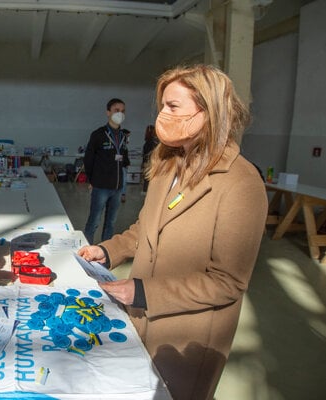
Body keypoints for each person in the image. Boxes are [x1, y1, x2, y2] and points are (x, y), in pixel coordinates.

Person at [77, 65, 267, 400]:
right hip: (142, 318)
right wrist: (108, 251)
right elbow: (145, 228)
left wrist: (142, 292)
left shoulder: (240, 182)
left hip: (188, 334)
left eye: (173, 107)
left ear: (207, 112)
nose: (162, 114)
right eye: (162, 105)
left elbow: (227, 282)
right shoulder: (168, 165)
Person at [83, 98, 129, 244]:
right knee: (94, 221)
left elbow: (124, 162)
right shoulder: (98, 134)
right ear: (108, 112)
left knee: (111, 223)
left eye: (122, 111)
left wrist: (123, 188)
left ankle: (104, 250)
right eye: (116, 110)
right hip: (101, 186)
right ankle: (87, 248)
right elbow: (88, 160)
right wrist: (91, 181)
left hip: (117, 187)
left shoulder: (123, 136)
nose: (120, 114)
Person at [141, 124, 158, 194]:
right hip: (154, 163)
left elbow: (145, 154)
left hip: (148, 163)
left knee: (147, 180)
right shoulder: (156, 142)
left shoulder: (148, 142)